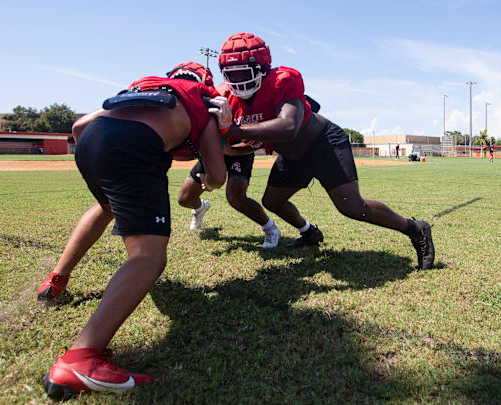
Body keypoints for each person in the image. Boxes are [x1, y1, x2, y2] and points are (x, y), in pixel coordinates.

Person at [37, 68, 227, 399]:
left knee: (107, 208)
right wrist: (207, 179)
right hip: (133, 147)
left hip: (93, 142)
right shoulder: (200, 100)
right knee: (149, 256)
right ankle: (81, 357)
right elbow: (218, 175)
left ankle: (55, 281)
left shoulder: (145, 87)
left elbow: (79, 127)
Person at [207, 32, 434, 269]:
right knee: (272, 201)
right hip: (292, 156)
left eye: (245, 72)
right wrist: (226, 149)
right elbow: (249, 141)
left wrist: (233, 128)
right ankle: (309, 232)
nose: (239, 80)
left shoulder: (282, 79)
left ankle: (415, 228)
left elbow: (287, 127)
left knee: (352, 207)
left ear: (263, 68)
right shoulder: (227, 98)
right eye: (232, 74)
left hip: (323, 143)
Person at [174, 63, 281, 248]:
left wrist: (226, 153)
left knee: (235, 197)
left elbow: (252, 145)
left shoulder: (259, 103)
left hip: (238, 151)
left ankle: (270, 228)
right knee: (184, 198)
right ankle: (200, 209)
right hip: (215, 149)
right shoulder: (216, 96)